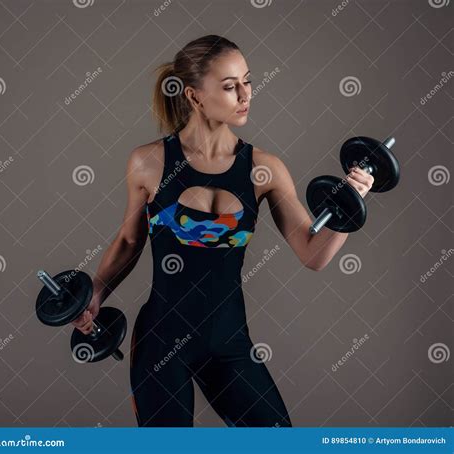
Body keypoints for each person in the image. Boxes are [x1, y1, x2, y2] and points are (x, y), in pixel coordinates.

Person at [71, 35, 374, 427]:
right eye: (231, 87)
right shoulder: (148, 162)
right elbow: (130, 240)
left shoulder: (265, 169)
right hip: (162, 341)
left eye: (247, 81)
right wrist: (96, 290)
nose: (246, 94)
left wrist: (349, 205)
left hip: (229, 343)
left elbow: (313, 254)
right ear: (195, 97)